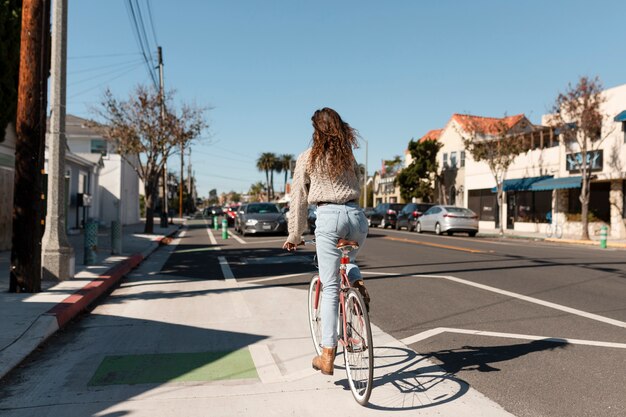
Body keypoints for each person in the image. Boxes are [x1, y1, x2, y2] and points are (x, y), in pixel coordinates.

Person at [282, 107, 369, 376]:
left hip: (330, 217)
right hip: (357, 217)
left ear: (316, 131)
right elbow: (359, 179)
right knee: (348, 260)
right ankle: (355, 278)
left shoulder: (307, 158)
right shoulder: (348, 156)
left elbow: (297, 198)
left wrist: (295, 235)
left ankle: (327, 354)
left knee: (330, 286)